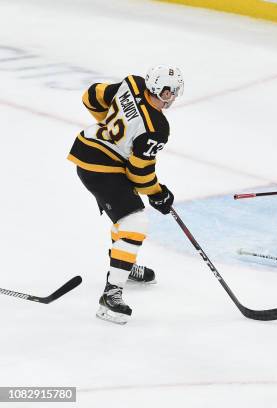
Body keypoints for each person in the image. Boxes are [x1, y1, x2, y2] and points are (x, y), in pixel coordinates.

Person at [67, 65, 184, 325]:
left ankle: (122, 267)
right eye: (168, 92)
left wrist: (109, 127)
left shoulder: (131, 83)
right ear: (156, 88)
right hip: (100, 167)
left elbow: (92, 96)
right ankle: (111, 295)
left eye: (174, 92)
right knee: (135, 222)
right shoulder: (157, 127)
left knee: (126, 219)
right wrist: (158, 193)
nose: (171, 97)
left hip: (91, 147)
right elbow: (139, 173)